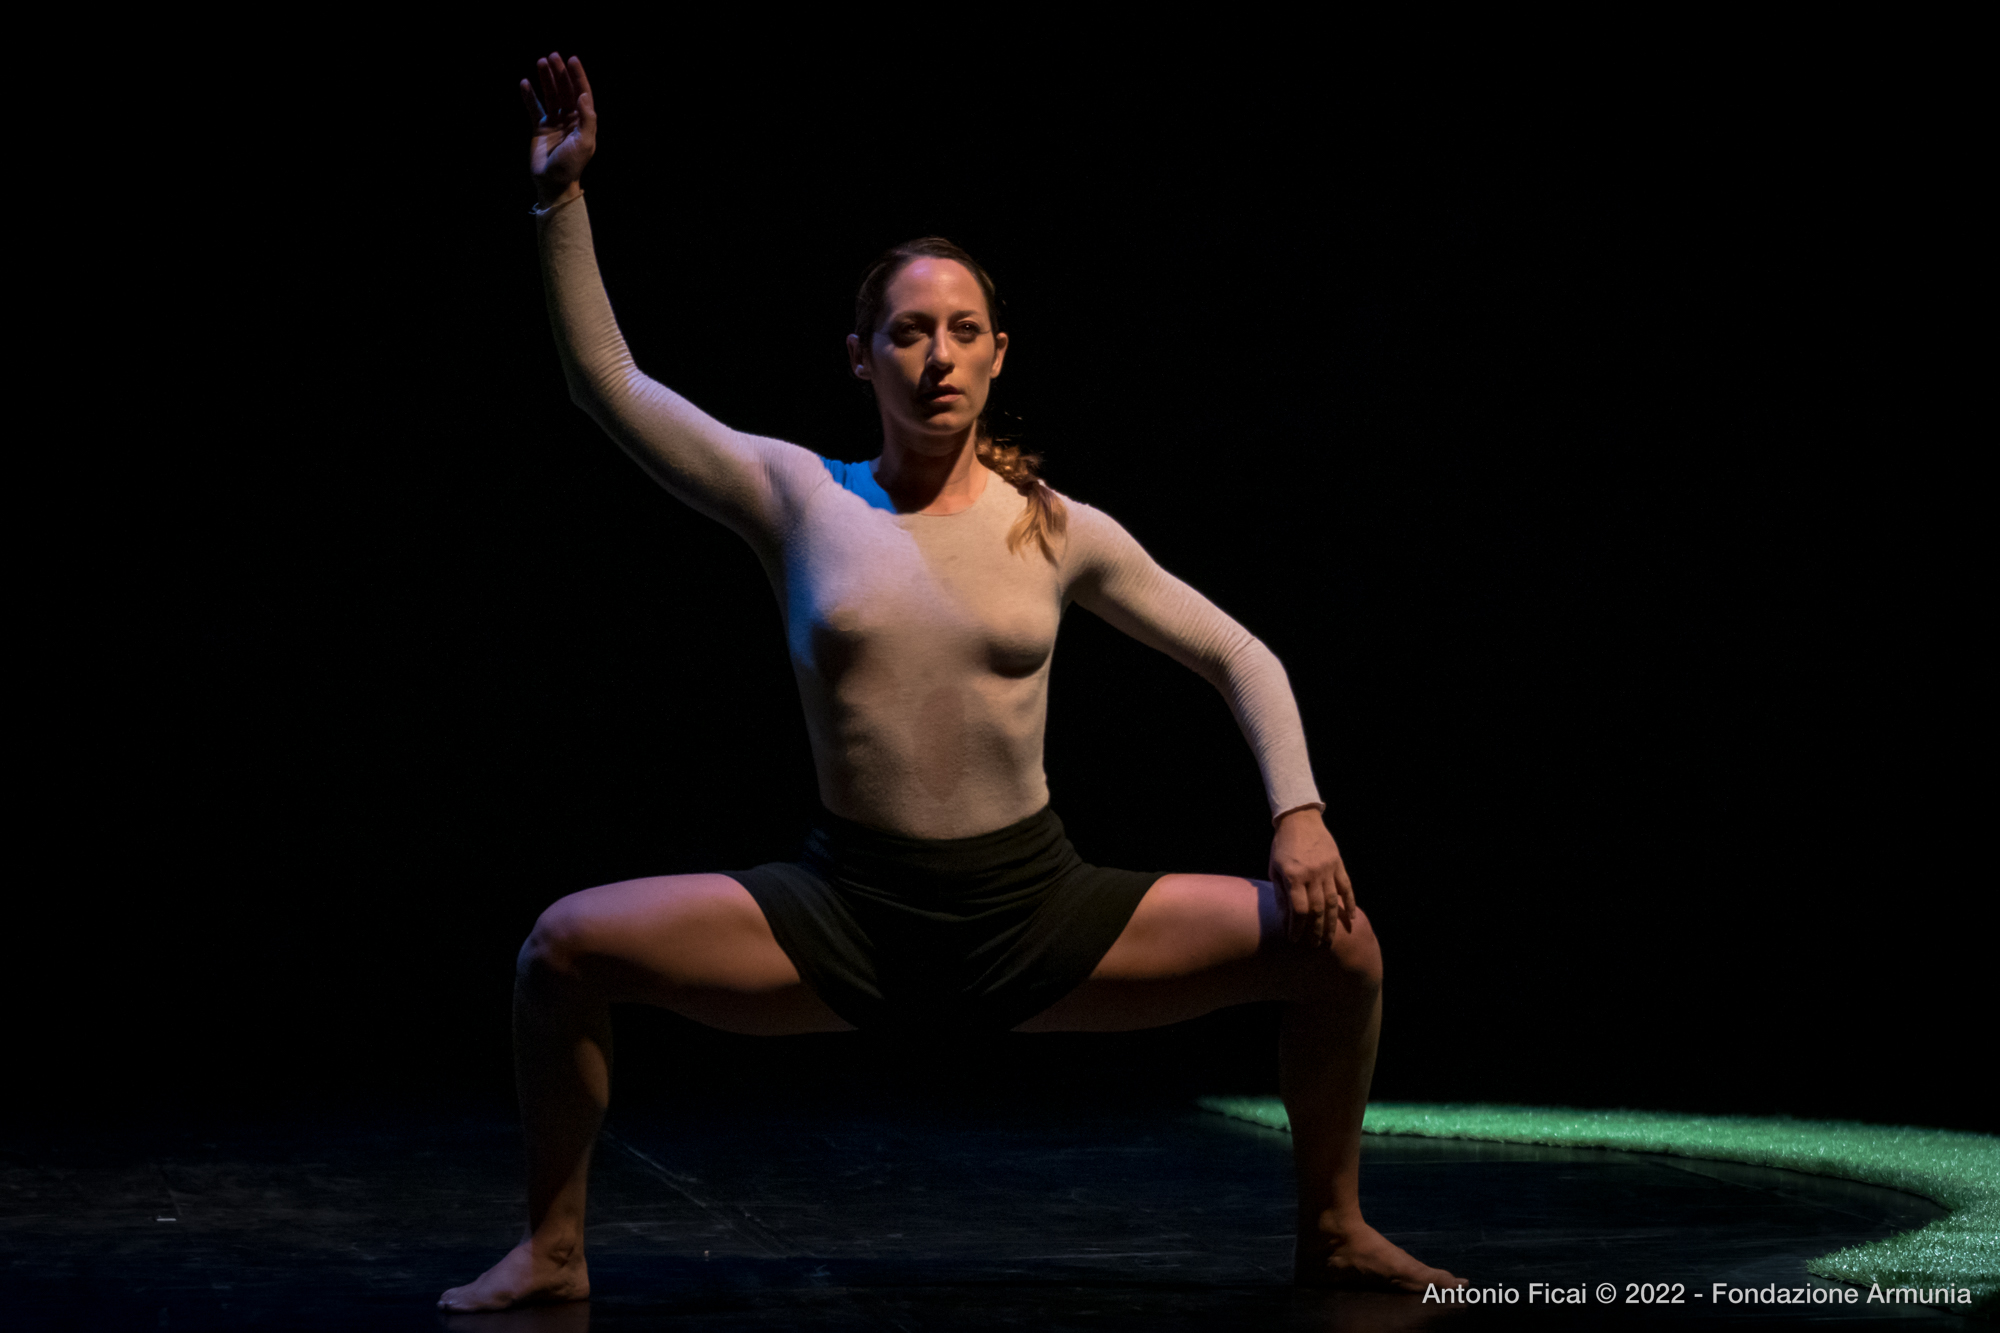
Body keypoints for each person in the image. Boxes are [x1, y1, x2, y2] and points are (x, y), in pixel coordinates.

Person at [439, 51, 1466, 1314]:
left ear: (996, 356)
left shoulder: (1055, 527)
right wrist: (560, 198)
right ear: (860, 356)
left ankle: (1334, 1229)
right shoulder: (798, 497)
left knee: (1341, 948)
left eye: (963, 331)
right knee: (560, 948)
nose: (938, 355)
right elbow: (611, 385)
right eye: (909, 332)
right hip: (841, 913)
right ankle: (552, 1248)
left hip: (1038, 912)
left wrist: (1296, 810)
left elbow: (1236, 652)